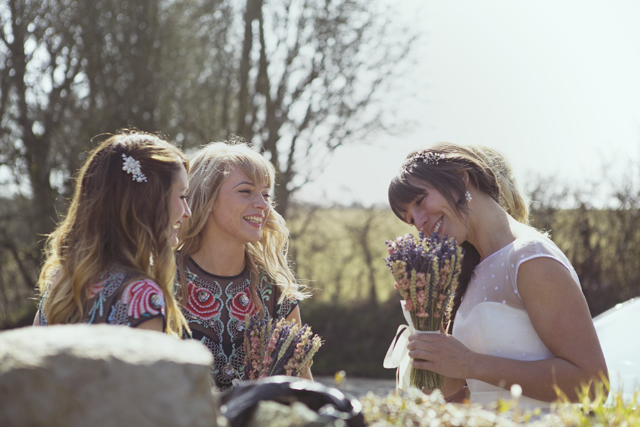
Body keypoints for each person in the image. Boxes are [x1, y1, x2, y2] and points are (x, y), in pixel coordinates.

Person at [387, 142, 608, 408]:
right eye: (411, 220)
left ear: (460, 177)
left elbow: (593, 384)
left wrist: (470, 363)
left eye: (420, 201)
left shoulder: (530, 258)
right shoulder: (470, 276)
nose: (420, 223)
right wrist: (432, 354)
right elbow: (467, 390)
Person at [176, 141, 309, 391]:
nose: (263, 204)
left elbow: (301, 386)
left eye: (266, 194)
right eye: (246, 191)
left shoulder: (275, 291)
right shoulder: (161, 278)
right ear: (208, 198)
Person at [34, 131, 191, 336]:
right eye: (182, 196)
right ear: (147, 203)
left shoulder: (61, 282)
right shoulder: (141, 297)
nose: (187, 212)